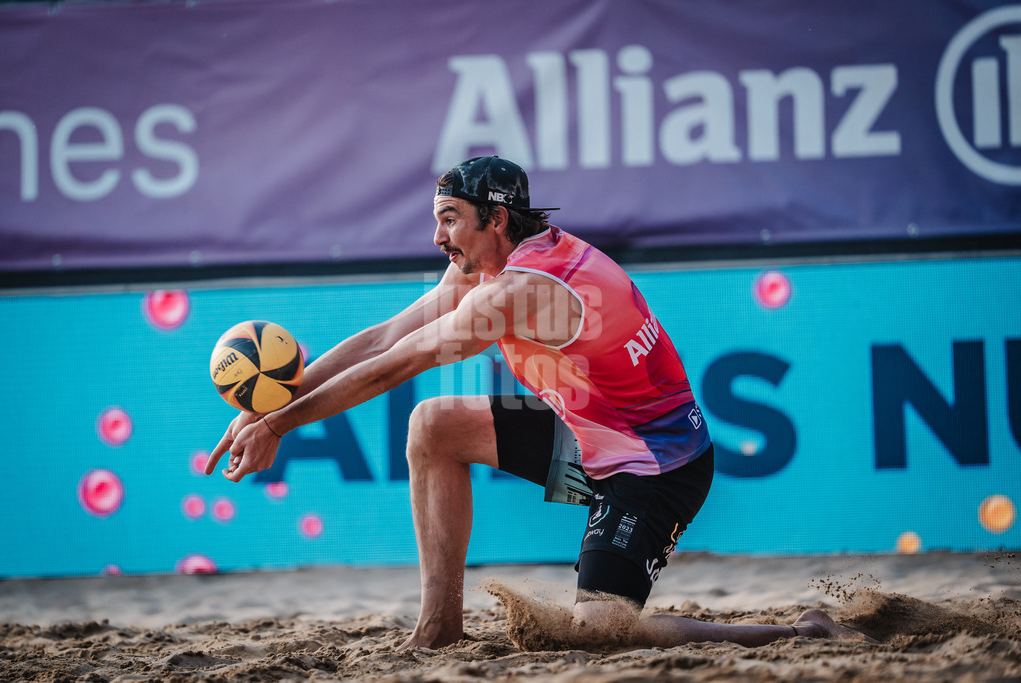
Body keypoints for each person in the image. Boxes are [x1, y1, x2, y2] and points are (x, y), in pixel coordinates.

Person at [206, 156, 871, 650]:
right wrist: (278, 401)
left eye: (449, 220)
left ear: (495, 219)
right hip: (592, 435)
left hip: (655, 466)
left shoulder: (521, 291)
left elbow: (400, 363)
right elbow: (388, 334)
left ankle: (797, 630)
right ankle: (439, 627)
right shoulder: (485, 265)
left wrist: (280, 424)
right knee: (432, 426)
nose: (439, 237)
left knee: (599, 632)